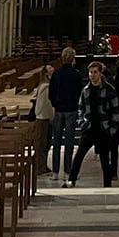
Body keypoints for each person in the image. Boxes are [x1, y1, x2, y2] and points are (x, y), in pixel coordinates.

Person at [65, 60, 119, 187]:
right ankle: (71, 180)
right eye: (90, 72)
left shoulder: (109, 89)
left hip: (103, 128)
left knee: (105, 160)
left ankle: (107, 185)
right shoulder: (86, 90)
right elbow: (80, 108)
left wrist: (112, 129)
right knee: (79, 156)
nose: (92, 75)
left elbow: (116, 110)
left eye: (95, 72)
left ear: (100, 73)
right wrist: (81, 122)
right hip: (89, 128)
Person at [49, 46, 84, 178]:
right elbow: (79, 93)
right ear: (73, 59)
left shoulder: (56, 74)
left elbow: (51, 93)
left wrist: (55, 104)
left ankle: (55, 171)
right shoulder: (77, 75)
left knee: (56, 141)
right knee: (69, 141)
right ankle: (67, 171)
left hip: (59, 109)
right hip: (71, 109)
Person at [31, 62, 55, 172]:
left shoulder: (50, 83)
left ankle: (43, 165)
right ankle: (39, 166)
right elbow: (43, 102)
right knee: (41, 143)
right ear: (46, 72)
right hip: (43, 116)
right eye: (50, 67)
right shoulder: (45, 85)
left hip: (48, 116)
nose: (53, 68)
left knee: (47, 143)